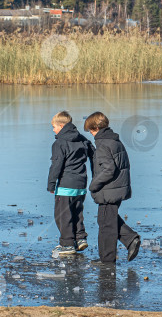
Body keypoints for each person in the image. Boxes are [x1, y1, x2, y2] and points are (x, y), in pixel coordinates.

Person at [84, 111, 141, 264]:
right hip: (117, 187)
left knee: (106, 226)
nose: (90, 133)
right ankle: (130, 239)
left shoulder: (103, 144)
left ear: (96, 128)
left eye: (91, 130)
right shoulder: (114, 140)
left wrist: (93, 185)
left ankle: (107, 259)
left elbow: (109, 169)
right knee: (106, 221)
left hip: (109, 190)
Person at [47, 111, 93, 256]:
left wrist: (51, 184)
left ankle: (67, 244)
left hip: (65, 185)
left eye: (54, 127)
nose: (53, 130)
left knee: (62, 215)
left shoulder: (59, 143)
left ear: (61, 126)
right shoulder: (82, 140)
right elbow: (94, 154)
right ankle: (80, 239)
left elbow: (56, 165)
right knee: (77, 212)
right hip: (81, 184)